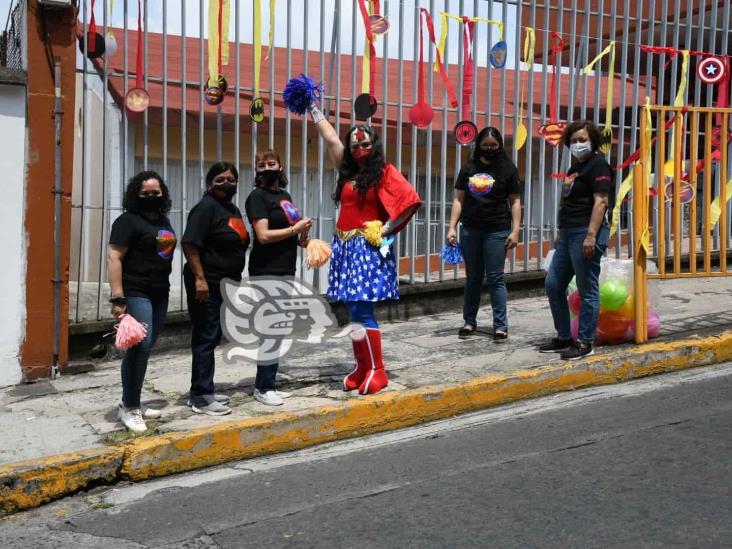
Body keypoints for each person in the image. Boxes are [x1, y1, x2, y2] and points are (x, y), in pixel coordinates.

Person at [307, 103, 422, 395]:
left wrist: (385, 230)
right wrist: (314, 109)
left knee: (363, 310)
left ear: (375, 146)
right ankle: (362, 368)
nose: (360, 149)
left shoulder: (384, 171)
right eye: (355, 144)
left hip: (367, 248)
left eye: (366, 144)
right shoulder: (345, 171)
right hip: (344, 247)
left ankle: (378, 370)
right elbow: (332, 139)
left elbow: (410, 201)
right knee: (353, 312)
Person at [108, 171, 176, 432]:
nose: (151, 197)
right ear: (135, 195)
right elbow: (114, 257)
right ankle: (129, 406)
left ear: (163, 195)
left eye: (156, 193)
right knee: (140, 345)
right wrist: (118, 297)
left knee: (145, 347)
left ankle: (132, 399)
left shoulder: (162, 219)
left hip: (161, 291)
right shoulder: (127, 221)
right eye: (145, 194)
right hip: (136, 290)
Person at [541, 120, 614, 360]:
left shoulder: (598, 166)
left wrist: (591, 235)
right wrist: (561, 233)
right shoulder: (574, 169)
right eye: (573, 141)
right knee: (553, 283)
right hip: (568, 232)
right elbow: (568, 202)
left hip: (586, 232)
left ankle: (585, 341)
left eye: (582, 140)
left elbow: (601, 202)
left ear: (593, 141)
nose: (577, 144)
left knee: (586, 288)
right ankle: (564, 337)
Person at [245, 149, 313, 406]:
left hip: (285, 268)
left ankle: (268, 382)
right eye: (261, 165)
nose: (266, 167)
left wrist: (303, 234)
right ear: (257, 171)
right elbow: (263, 235)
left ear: (281, 167)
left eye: (271, 163)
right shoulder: (257, 197)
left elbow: (290, 235)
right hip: (266, 270)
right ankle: (263, 388)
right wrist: (295, 229)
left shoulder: (284, 196)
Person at [182, 162, 250, 415]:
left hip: (224, 282)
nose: (227, 183)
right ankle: (199, 396)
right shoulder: (205, 208)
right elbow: (190, 244)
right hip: (206, 283)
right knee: (205, 336)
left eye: (231, 179)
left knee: (212, 335)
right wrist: (199, 279)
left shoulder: (231, 209)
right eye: (220, 179)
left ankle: (206, 389)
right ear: (210, 182)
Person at [446, 127, 522, 341]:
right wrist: (452, 226)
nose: (489, 149)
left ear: (500, 146)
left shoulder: (508, 169)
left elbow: (515, 201)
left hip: (497, 230)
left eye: (494, 146)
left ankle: (500, 325)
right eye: (485, 145)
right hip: (471, 229)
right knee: (473, 278)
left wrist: (515, 230)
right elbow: (459, 199)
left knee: (496, 277)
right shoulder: (469, 167)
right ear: (478, 145)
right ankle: (469, 321)